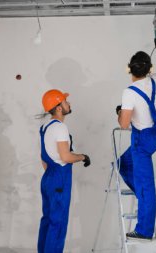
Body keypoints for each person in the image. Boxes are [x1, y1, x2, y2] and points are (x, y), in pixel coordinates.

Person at [116, 33, 156, 240]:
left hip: (141, 140)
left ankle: (144, 229)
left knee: (146, 185)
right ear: (149, 70)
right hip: (155, 136)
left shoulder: (129, 91)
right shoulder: (155, 80)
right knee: (123, 163)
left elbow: (124, 124)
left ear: (129, 69)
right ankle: (145, 198)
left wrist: (120, 114)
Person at [38, 89, 91, 253]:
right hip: (59, 179)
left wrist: (52, 174)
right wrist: (83, 157)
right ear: (59, 108)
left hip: (48, 177)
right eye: (66, 101)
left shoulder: (45, 127)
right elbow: (66, 157)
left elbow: (43, 158)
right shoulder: (60, 128)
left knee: (48, 220)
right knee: (58, 223)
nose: (69, 103)